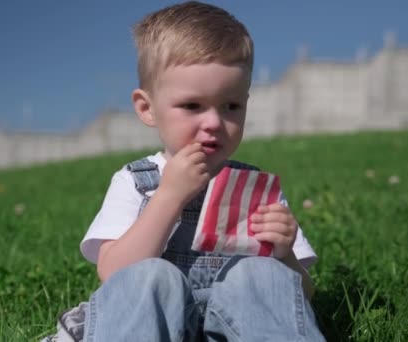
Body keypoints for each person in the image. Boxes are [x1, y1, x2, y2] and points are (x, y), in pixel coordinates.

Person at [78, 2, 325, 341]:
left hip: (236, 330)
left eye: (231, 106)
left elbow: (302, 296)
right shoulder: (137, 182)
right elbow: (115, 274)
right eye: (192, 106)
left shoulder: (253, 190)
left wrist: (284, 257)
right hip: (154, 329)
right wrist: (168, 198)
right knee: (151, 278)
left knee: (260, 274)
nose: (213, 123)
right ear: (147, 108)